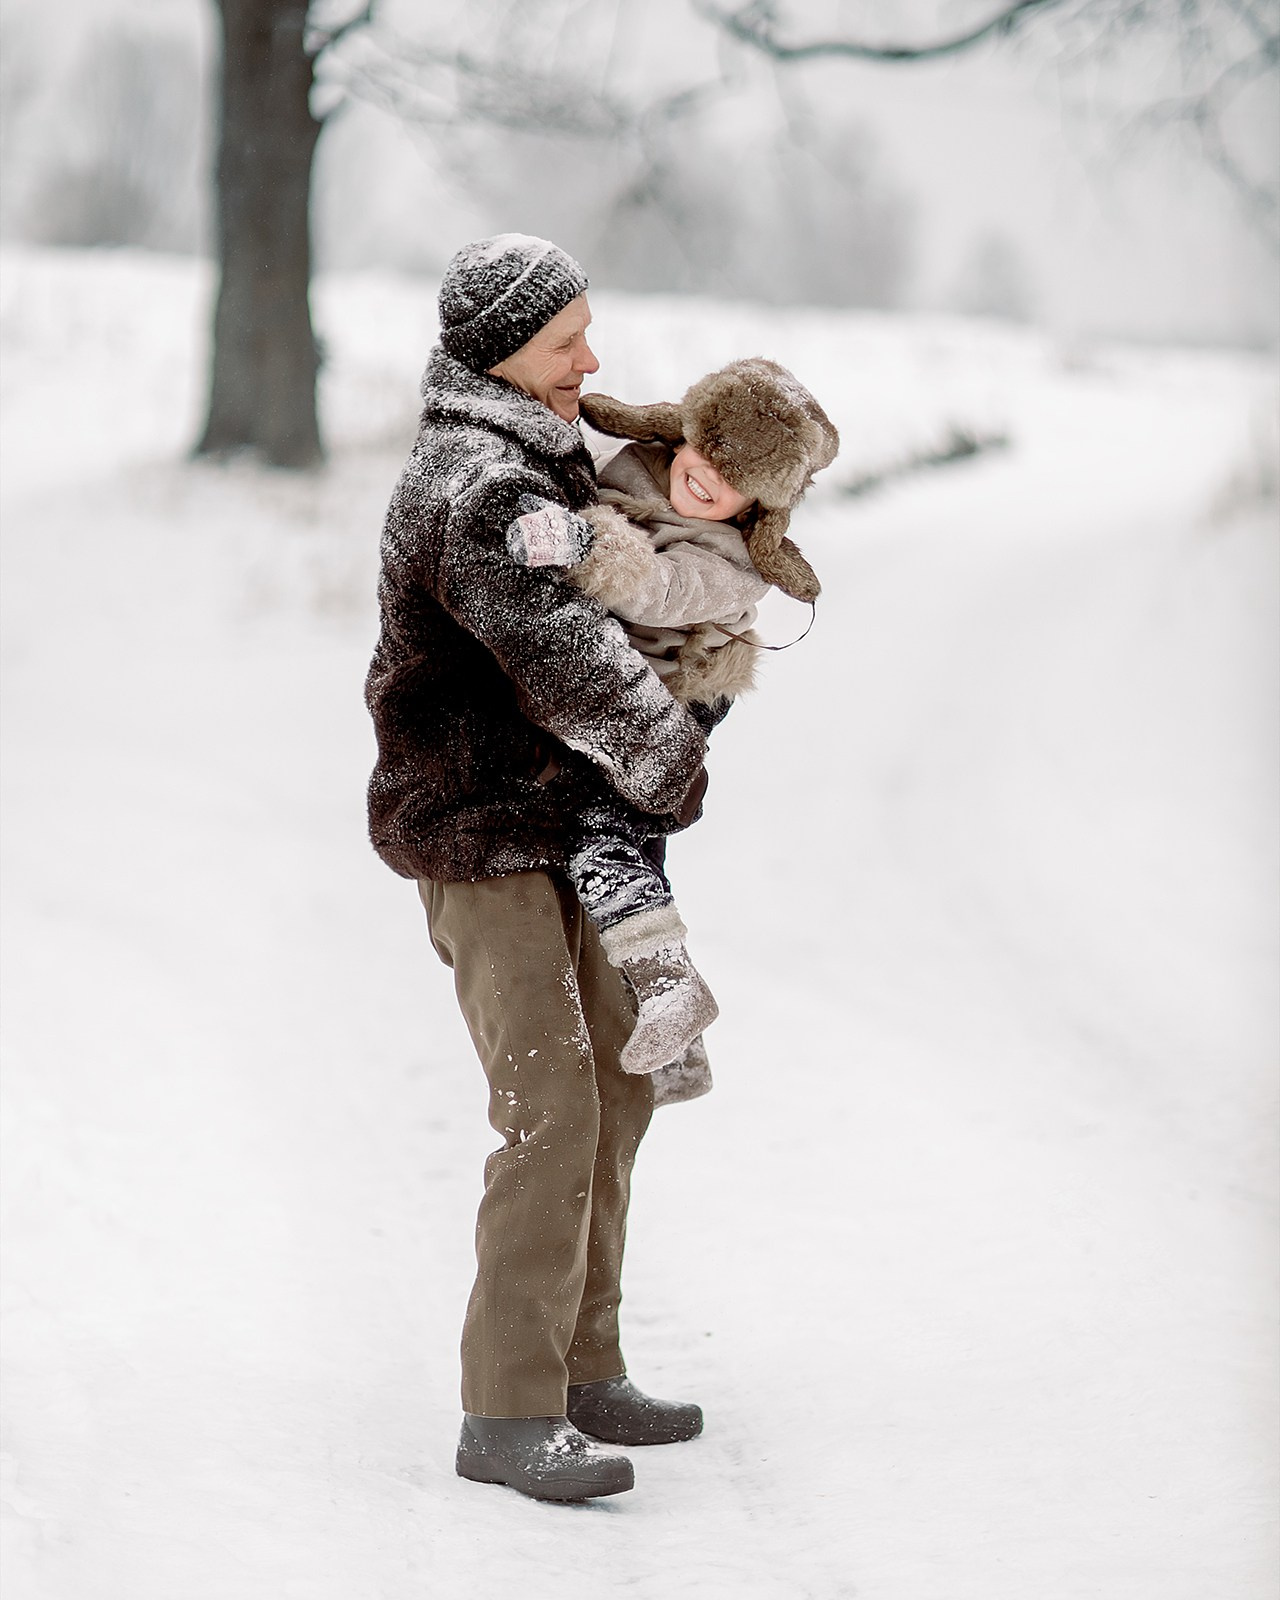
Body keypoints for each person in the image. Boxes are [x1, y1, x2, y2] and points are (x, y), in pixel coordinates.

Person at [364, 234, 711, 1504]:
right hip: (474, 829)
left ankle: (581, 1363)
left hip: (554, 821)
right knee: (551, 1100)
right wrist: (668, 749)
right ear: (507, 352)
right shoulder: (479, 488)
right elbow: (568, 656)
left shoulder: (536, 455)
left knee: (618, 1083)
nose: (591, 359)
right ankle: (505, 1411)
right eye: (568, 340)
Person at [557, 359, 839, 1100]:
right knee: (632, 856)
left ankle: (669, 985)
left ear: (760, 506)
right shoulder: (638, 468)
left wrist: (588, 546)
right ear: (680, 432)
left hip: (674, 701)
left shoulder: (733, 564)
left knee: (604, 836)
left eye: (736, 476)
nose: (709, 476)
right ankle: (681, 1056)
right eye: (706, 451)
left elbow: (658, 591)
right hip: (616, 688)